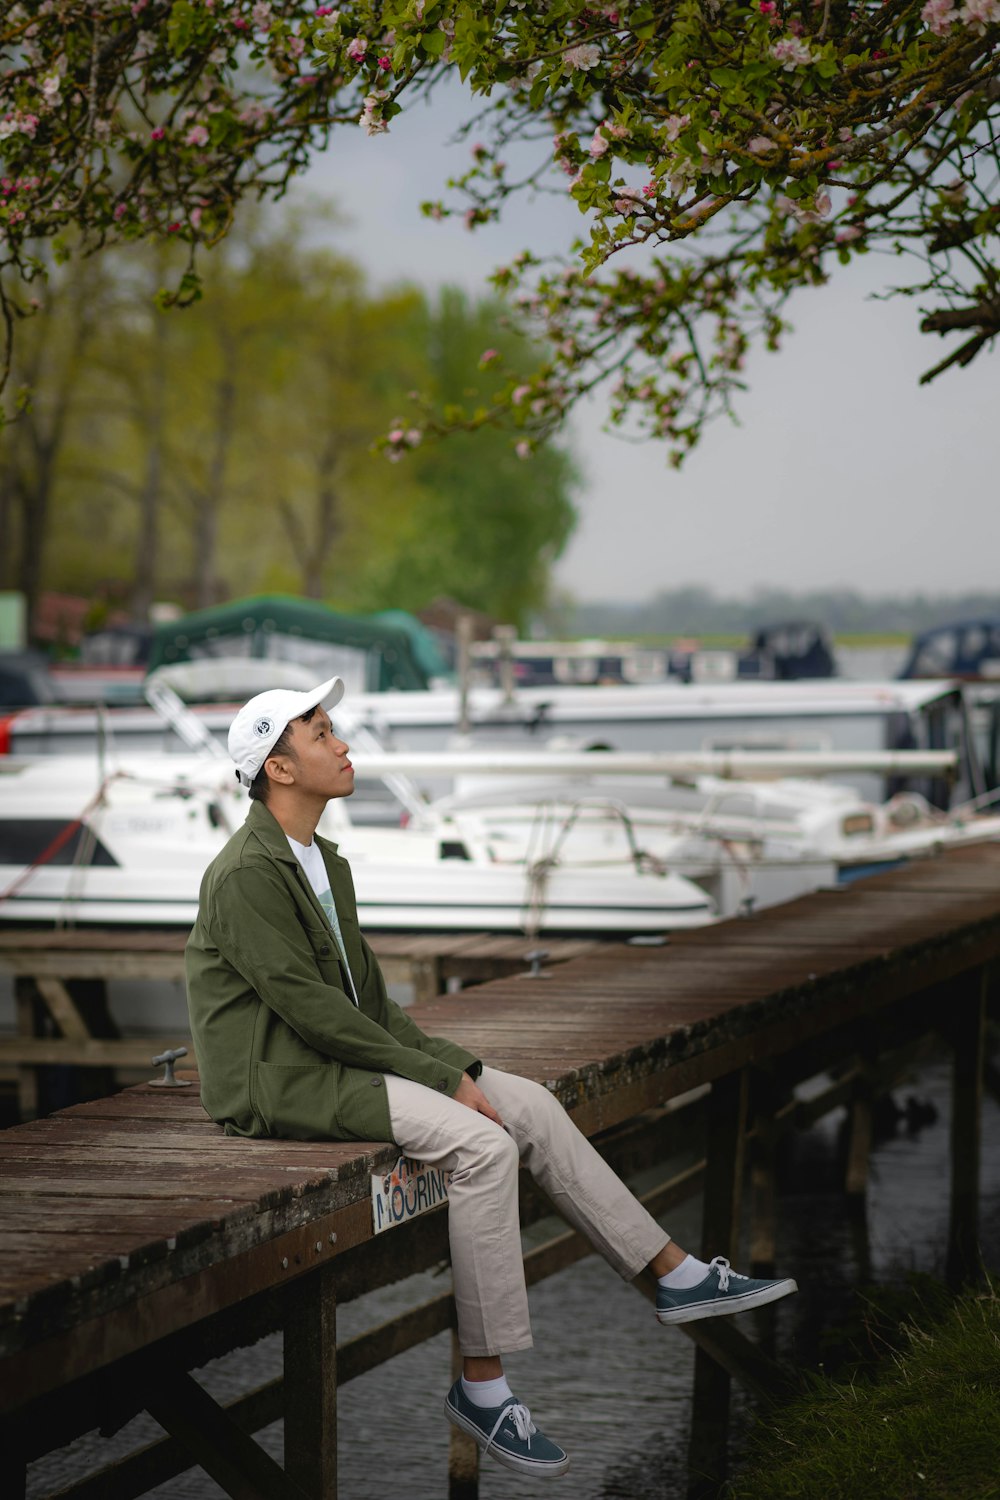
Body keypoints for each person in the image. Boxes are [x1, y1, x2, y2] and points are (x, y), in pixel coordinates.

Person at [186, 677, 797, 1479]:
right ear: (280, 768)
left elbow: (369, 1004)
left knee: (531, 1106)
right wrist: (442, 1086)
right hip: (279, 1080)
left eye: (336, 728)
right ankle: (484, 1384)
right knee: (483, 1149)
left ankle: (675, 1275)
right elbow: (309, 1015)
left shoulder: (321, 862)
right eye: (320, 732)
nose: (341, 744)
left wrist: (457, 1067)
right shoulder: (245, 875)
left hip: (331, 1060)